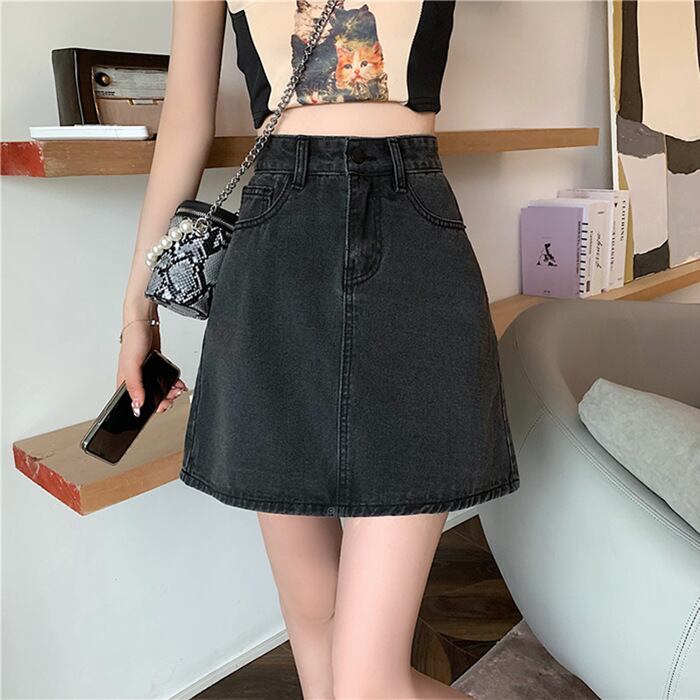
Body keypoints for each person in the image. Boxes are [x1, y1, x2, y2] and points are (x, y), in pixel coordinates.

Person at [118, 1, 520, 697]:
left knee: (366, 682)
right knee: (313, 620)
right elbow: (185, 117)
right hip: (275, 251)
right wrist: (136, 310)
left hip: (414, 237)